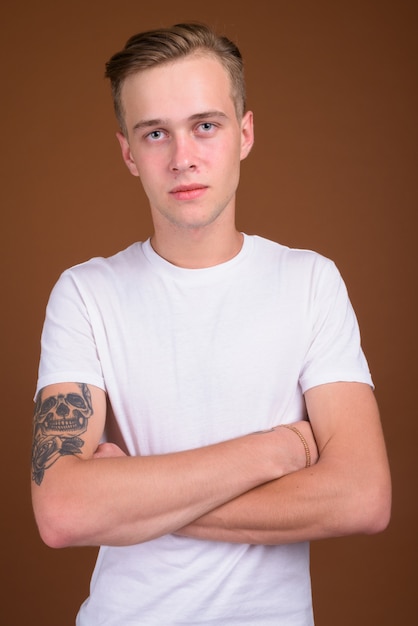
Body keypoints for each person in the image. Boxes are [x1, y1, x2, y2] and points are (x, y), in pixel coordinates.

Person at [31, 22, 391, 626]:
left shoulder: (308, 282)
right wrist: (273, 451)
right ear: (128, 153)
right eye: (154, 134)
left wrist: (130, 501)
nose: (183, 158)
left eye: (206, 125)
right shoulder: (84, 293)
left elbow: (362, 498)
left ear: (244, 133)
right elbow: (64, 512)